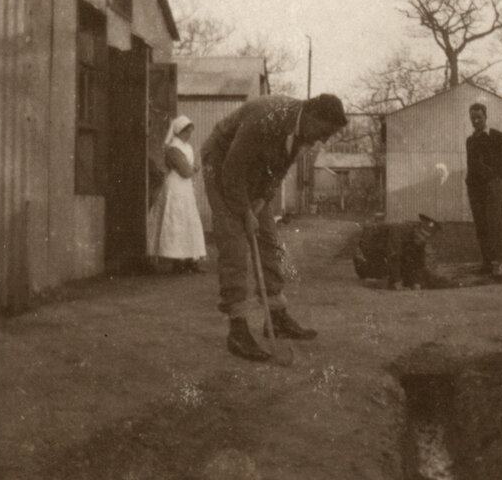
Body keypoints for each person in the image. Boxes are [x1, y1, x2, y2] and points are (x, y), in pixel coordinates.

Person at [201, 94, 347, 362]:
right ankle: (237, 328)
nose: (324, 140)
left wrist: (260, 202)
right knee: (233, 238)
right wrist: (244, 212)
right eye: (325, 132)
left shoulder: (302, 133)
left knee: (267, 235)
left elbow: (277, 173)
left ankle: (276, 317)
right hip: (221, 161)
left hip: (253, 168)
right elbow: (232, 171)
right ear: (313, 116)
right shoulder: (266, 118)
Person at [146, 115, 207, 273]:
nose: (188, 135)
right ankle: (177, 260)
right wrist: (195, 168)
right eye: (186, 132)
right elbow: (186, 171)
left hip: (185, 188)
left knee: (188, 221)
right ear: (178, 132)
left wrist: (193, 168)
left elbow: (189, 169)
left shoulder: (187, 147)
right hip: (176, 187)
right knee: (177, 221)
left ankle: (190, 260)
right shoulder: (173, 148)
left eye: (190, 132)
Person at [465, 102, 502, 277]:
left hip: (492, 188)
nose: (476, 121)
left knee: (494, 225)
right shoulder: (470, 141)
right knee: (482, 227)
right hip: (475, 190)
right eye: (473, 118)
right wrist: (469, 182)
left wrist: (496, 178)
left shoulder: (497, 137)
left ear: (486, 117)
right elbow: (471, 165)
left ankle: (497, 264)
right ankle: (486, 263)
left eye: (479, 117)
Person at [353, 214, 442, 289]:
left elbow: (419, 262)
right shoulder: (399, 230)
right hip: (370, 246)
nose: (422, 238)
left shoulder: (420, 240)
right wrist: (396, 281)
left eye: (426, 237)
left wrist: (416, 282)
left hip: (386, 249)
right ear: (417, 228)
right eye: (422, 234)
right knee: (385, 275)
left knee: (408, 277)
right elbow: (394, 255)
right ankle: (363, 268)